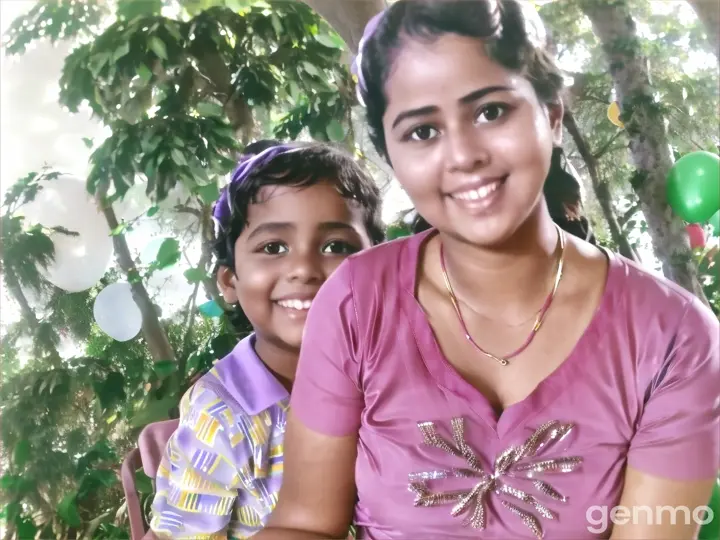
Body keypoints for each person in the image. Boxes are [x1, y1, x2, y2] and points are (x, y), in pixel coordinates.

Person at [256, 1, 720, 539]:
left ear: (550, 114)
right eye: (422, 132)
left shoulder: (675, 338)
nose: (463, 155)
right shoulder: (357, 301)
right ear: (390, 155)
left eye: (490, 112)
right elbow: (305, 526)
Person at [148, 140, 384, 539]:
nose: (304, 269)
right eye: (273, 247)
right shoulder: (221, 417)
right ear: (229, 281)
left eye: (336, 246)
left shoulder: (392, 377)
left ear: (381, 264)